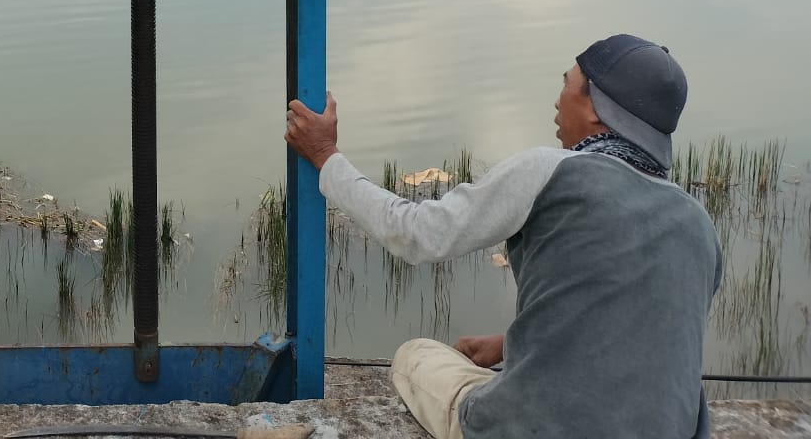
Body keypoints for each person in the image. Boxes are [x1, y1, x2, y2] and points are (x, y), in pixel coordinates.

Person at [284, 34, 722, 439]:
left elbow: (415, 234)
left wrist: (326, 157)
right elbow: (637, 329)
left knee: (414, 355)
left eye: (566, 84)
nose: (556, 103)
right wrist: (511, 343)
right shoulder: (699, 224)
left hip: (534, 428)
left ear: (594, 106)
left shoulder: (550, 171)